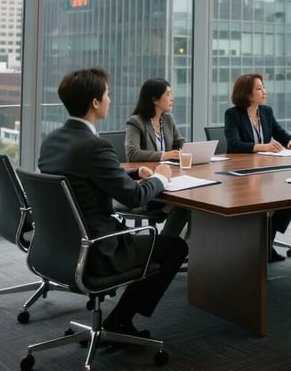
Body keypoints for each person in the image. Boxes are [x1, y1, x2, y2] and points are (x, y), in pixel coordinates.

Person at [38, 67, 187, 336]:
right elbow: (134, 197)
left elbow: (81, 173)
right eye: (107, 94)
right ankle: (120, 321)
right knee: (174, 247)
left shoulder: (52, 139)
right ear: (95, 103)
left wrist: (130, 172)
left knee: (165, 246)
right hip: (97, 247)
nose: (110, 99)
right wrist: (162, 178)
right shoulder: (95, 146)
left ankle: (119, 319)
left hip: (60, 244)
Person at [224, 72, 291, 262]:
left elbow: (279, 132)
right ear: (247, 94)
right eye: (259, 88)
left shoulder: (266, 111)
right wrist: (262, 147)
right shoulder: (232, 114)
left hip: (265, 171)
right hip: (241, 174)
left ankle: (267, 238)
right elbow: (234, 144)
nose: (264, 91)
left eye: (263, 87)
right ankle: (262, 245)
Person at [124, 78, 190, 238]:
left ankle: (174, 244)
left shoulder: (167, 118)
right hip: (148, 182)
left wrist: (188, 149)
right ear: (154, 99)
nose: (172, 97)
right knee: (186, 204)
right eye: (168, 94)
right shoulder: (136, 121)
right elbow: (132, 153)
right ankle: (167, 243)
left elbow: (179, 142)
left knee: (189, 201)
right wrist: (164, 155)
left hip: (170, 177)